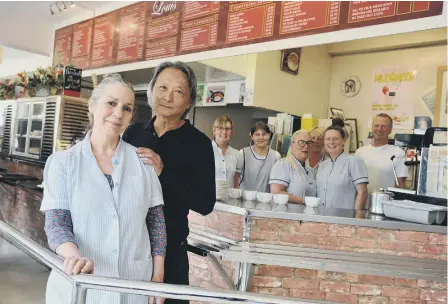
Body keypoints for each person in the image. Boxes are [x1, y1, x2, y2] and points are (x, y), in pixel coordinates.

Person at [40, 74, 166, 304]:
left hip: (133, 283)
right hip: (80, 285)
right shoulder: (63, 163)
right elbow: (56, 224)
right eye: (111, 103)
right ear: (92, 105)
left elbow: (156, 223)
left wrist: (157, 278)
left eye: (127, 108)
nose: (118, 114)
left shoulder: (143, 162)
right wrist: (74, 256)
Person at [122, 61, 216, 304]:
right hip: (129, 243)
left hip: (172, 249)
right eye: (162, 88)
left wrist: (164, 173)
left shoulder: (199, 144)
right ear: (151, 90)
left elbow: (205, 202)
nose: (168, 97)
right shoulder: (133, 134)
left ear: (189, 101)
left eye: (178, 91)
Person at [316, 118, 369, 210]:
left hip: (344, 218)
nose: (331, 142)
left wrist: (356, 217)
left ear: (343, 140)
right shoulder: (322, 165)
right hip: (322, 216)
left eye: (335, 139)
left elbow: (362, 192)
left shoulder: (354, 161)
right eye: (328, 139)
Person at [356, 113, 408, 194]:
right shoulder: (360, 152)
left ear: (390, 130)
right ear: (372, 127)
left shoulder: (398, 153)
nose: (379, 129)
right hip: (361, 204)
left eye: (384, 126)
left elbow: (401, 185)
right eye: (376, 125)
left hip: (385, 203)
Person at [269, 130, 316, 204]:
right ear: (292, 145)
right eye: (301, 142)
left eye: (309, 143)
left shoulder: (309, 170)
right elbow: (276, 192)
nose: (306, 146)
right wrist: (303, 201)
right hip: (288, 213)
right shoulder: (283, 165)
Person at [234, 121, 281, 192]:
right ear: (252, 136)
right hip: (244, 198)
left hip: (266, 200)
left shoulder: (276, 156)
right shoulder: (243, 153)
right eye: (257, 134)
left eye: (264, 134)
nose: (261, 138)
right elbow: (235, 178)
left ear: (269, 135)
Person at [211, 115, 238, 188]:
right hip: (208, 197)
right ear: (214, 131)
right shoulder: (204, 150)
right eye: (220, 128)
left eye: (227, 129)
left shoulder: (236, 154)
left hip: (229, 198)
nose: (224, 132)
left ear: (231, 132)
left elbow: (236, 183)